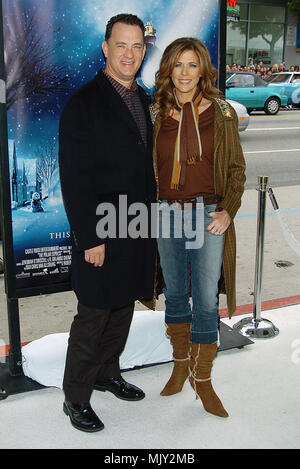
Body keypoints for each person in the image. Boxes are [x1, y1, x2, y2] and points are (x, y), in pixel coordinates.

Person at [59, 14, 157, 432]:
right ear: (105, 47)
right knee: (94, 313)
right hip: (101, 227)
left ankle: (107, 372)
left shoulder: (143, 97)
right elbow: (74, 177)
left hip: (135, 226)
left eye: (137, 46)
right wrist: (90, 238)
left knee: (122, 306)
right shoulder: (84, 103)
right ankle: (75, 397)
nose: (130, 54)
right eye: (122, 45)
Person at [151, 37, 246, 418]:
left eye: (192, 65)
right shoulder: (157, 112)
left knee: (206, 299)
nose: (185, 73)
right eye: (178, 65)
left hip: (207, 215)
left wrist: (228, 211)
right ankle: (179, 366)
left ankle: (203, 380)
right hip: (166, 213)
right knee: (175, 293)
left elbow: (236, 169)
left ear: (203, 70)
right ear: (168, 71)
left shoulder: (222, 113)